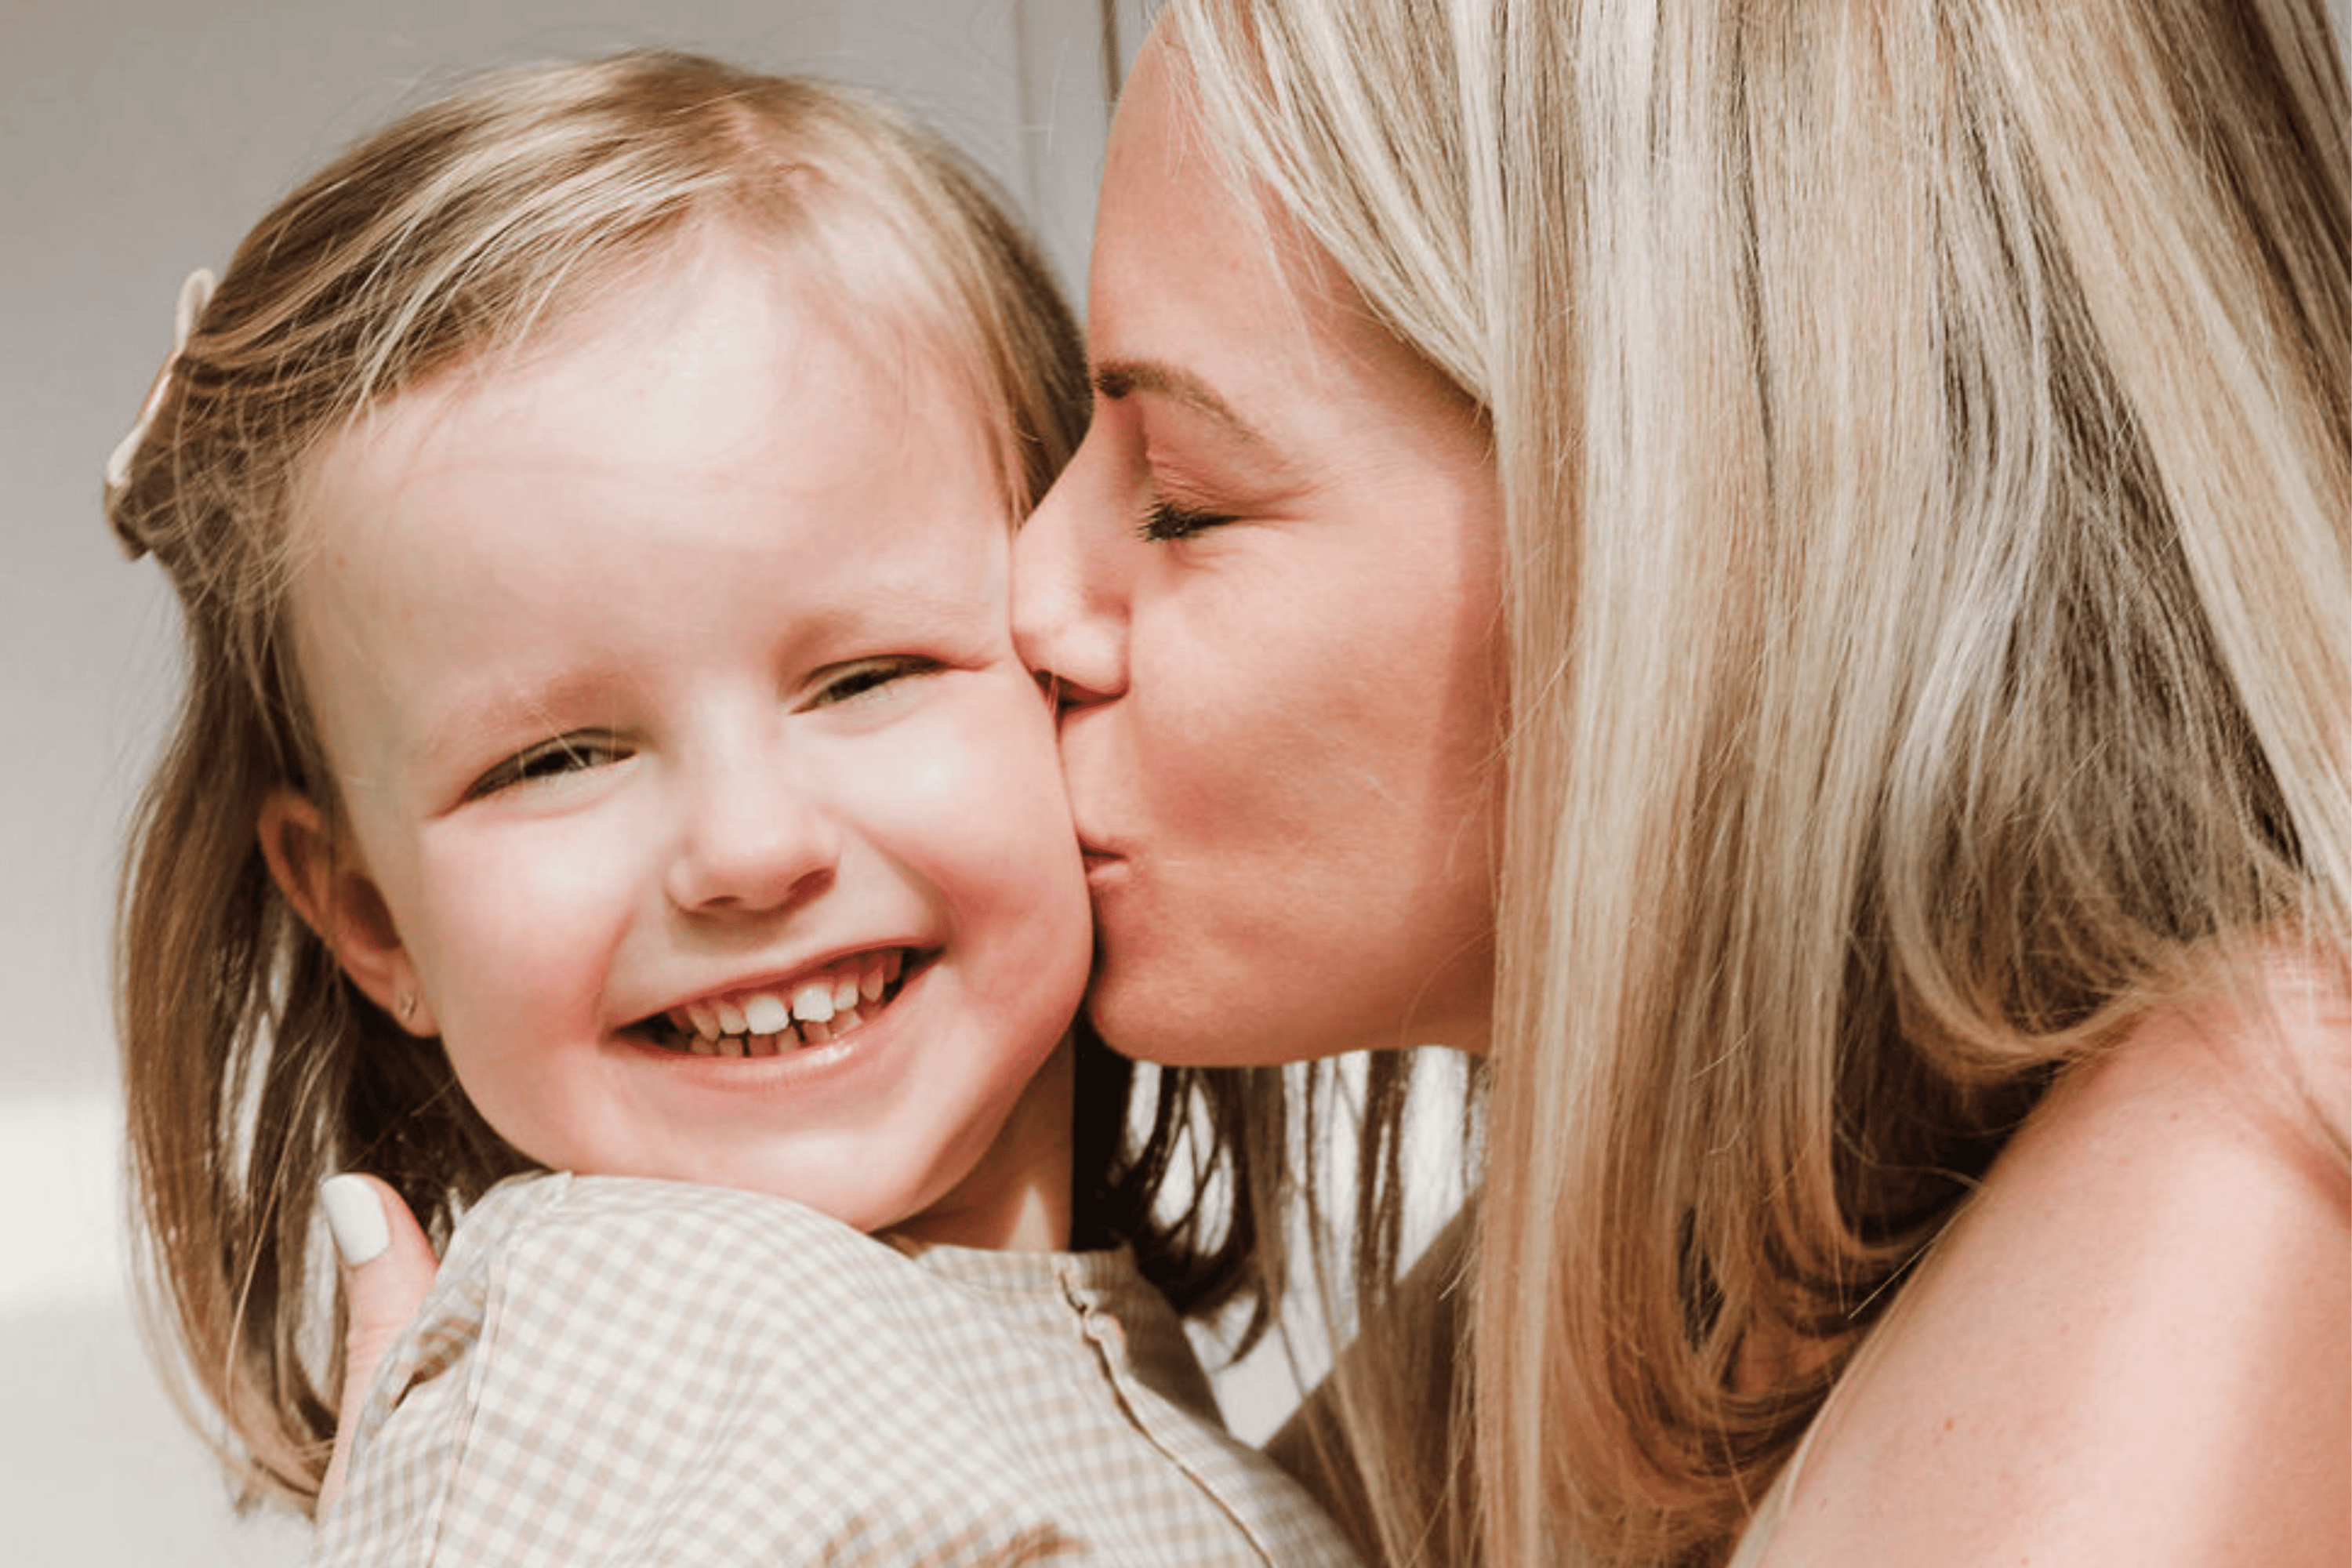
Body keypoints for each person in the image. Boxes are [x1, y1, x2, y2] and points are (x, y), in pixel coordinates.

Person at [318, 5, 2349, 1565]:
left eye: (1180, 502)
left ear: (1682, 563)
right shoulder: (1572, 1362)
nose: (1025, 600)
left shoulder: (2248, 1150)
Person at [104, 51, 1361, 1568]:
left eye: (866, 677)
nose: (751, 850)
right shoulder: (629, 1350)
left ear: (1065, 654)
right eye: (557, 759)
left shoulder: (1025, 1371)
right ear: (368, 915)